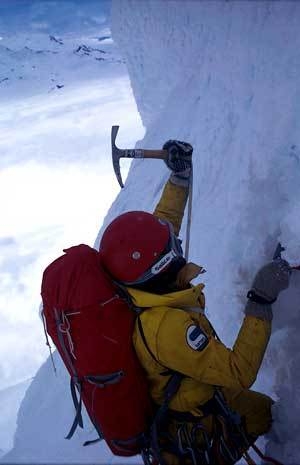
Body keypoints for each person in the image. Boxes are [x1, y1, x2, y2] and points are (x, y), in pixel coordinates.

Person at [99, 140, 290, 464]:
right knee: (259, 413)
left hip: (199, 393)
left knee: (263, 412)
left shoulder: (142, 283)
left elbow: (162, 225)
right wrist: (260, 299)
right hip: (197, 425)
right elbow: (238, 371)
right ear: (161, 266)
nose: (177, 244)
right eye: (171, 248)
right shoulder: (167, 327)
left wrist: (180, 176)